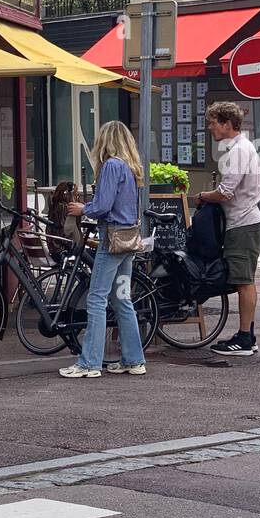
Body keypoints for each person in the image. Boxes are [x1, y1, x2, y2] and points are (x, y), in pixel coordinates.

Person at [59, 120, 147, 378]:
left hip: (111, 240)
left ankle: (89, 363)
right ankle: (134, 360)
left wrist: (82, 209)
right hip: (128, 240)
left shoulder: (111, 165)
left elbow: (104, 205)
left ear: (105, 141)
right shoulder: (130, 168)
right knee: (122, 299)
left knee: (96, 299)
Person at [193, 101, 260, 356]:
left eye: (213, 122)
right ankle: (247, 334)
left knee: (244, 281)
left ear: (226, 124)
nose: (210, 127)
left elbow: (225, 192)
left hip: (242, 222)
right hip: (244, 221)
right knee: (243, 279)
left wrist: (201, 195)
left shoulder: (238, 151)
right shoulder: (240, 148)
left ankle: (245, 338)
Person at [46, 181, 83, 246]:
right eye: (76, 194)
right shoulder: (68, 207)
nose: (77, 196)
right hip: (63, 245)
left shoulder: (54, 205)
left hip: (52, 244)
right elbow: (70, 230)